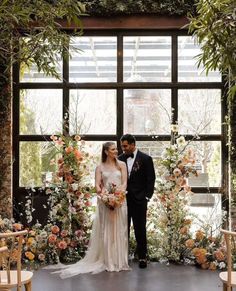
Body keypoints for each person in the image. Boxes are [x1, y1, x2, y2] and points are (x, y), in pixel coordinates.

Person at [53, 142, 130, 278]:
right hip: (105, 203)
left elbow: (124, 183)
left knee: (120, 230)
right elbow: (97, 184)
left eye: (116, 149)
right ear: (106, 152)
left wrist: (118, 196)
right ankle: (108, 261)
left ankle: (119, 261)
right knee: (106, 230)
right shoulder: (100, 167)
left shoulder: (122, 165)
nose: (116, 151)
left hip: (120, 201)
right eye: (113, 149)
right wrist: (105, 196)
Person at [119, 134, 156, 269]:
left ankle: (142, 257)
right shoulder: (120, 159)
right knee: (123, 229)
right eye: (122, 146)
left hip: (140, 200)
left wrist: (147, 196)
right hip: (123, 201)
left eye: (125, 146)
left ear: (133, 144)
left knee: (140, 229)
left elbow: (151, 179)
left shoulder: (146, 159)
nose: (123, 149)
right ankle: (123, 257)